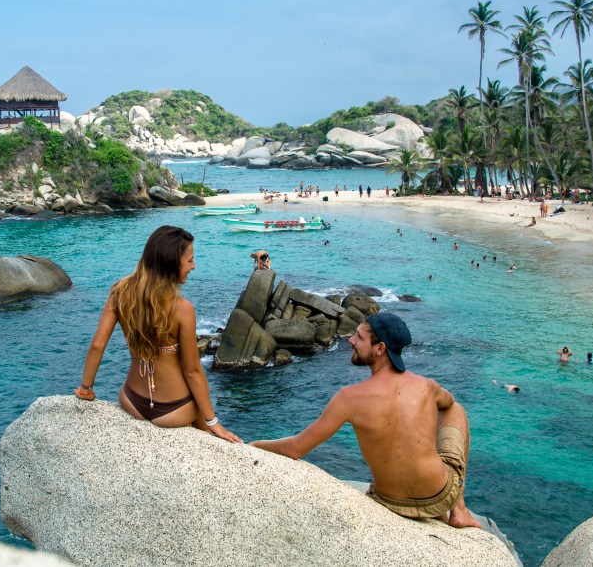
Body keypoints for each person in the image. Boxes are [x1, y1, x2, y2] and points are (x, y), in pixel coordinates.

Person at [251, 313, 481, 529]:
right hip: (439, 497)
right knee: (456, 410)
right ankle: (459, 510)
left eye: (359, 337)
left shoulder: (348, 398)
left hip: (390, 502)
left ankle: (455, 509)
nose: (351, 340)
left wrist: (254, 445)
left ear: (380, 348)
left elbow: (295, 448)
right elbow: (449, 402)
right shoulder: (426, 386)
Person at [73, 226, 241, 443]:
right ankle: (210, 436)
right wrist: (213, 421)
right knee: (199, 396)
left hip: (132, 401)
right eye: (190, 260)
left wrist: (86, 388)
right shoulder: (183, 309)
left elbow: (98, 345)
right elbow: (192, 371)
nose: (194, 266)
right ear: (171, 263)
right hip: (174, 409)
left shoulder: (119, 291)